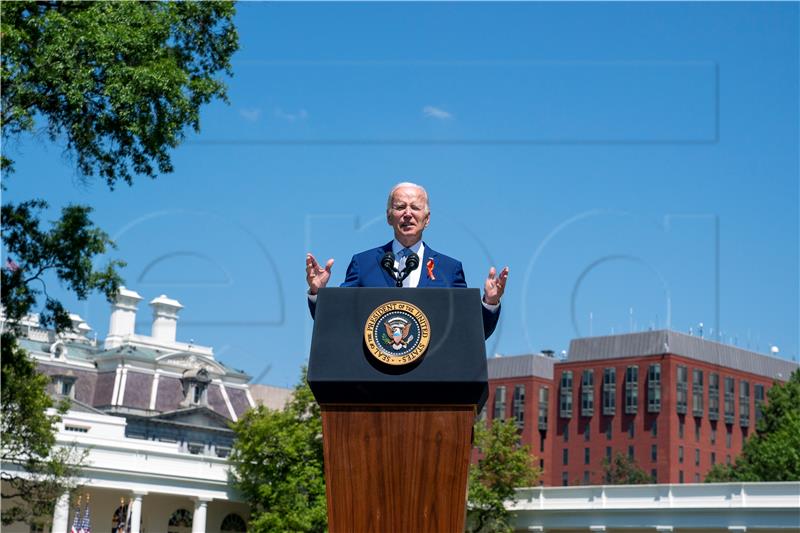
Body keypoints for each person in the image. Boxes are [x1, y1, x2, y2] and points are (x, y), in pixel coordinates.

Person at [306, 182, 508, 338]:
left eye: (415, 207)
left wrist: (490, 302)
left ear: (427, 219)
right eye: (400, 207)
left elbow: (469, 330)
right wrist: (318, 293)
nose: (408, 214)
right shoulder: (364, 263)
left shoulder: (449, 269)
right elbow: (337, 320)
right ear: (389, 217)